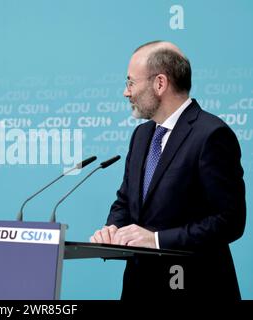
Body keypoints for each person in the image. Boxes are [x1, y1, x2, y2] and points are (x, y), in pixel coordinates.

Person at [90, 41, 246, 300]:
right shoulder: (141, 135)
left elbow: (229, 221)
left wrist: (158, 240)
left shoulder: (211, 134)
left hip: (195, 285)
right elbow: (126, 202)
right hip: (140, 286)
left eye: (130, 83)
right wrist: (112, 230)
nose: (126, 93)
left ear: (160, 83)